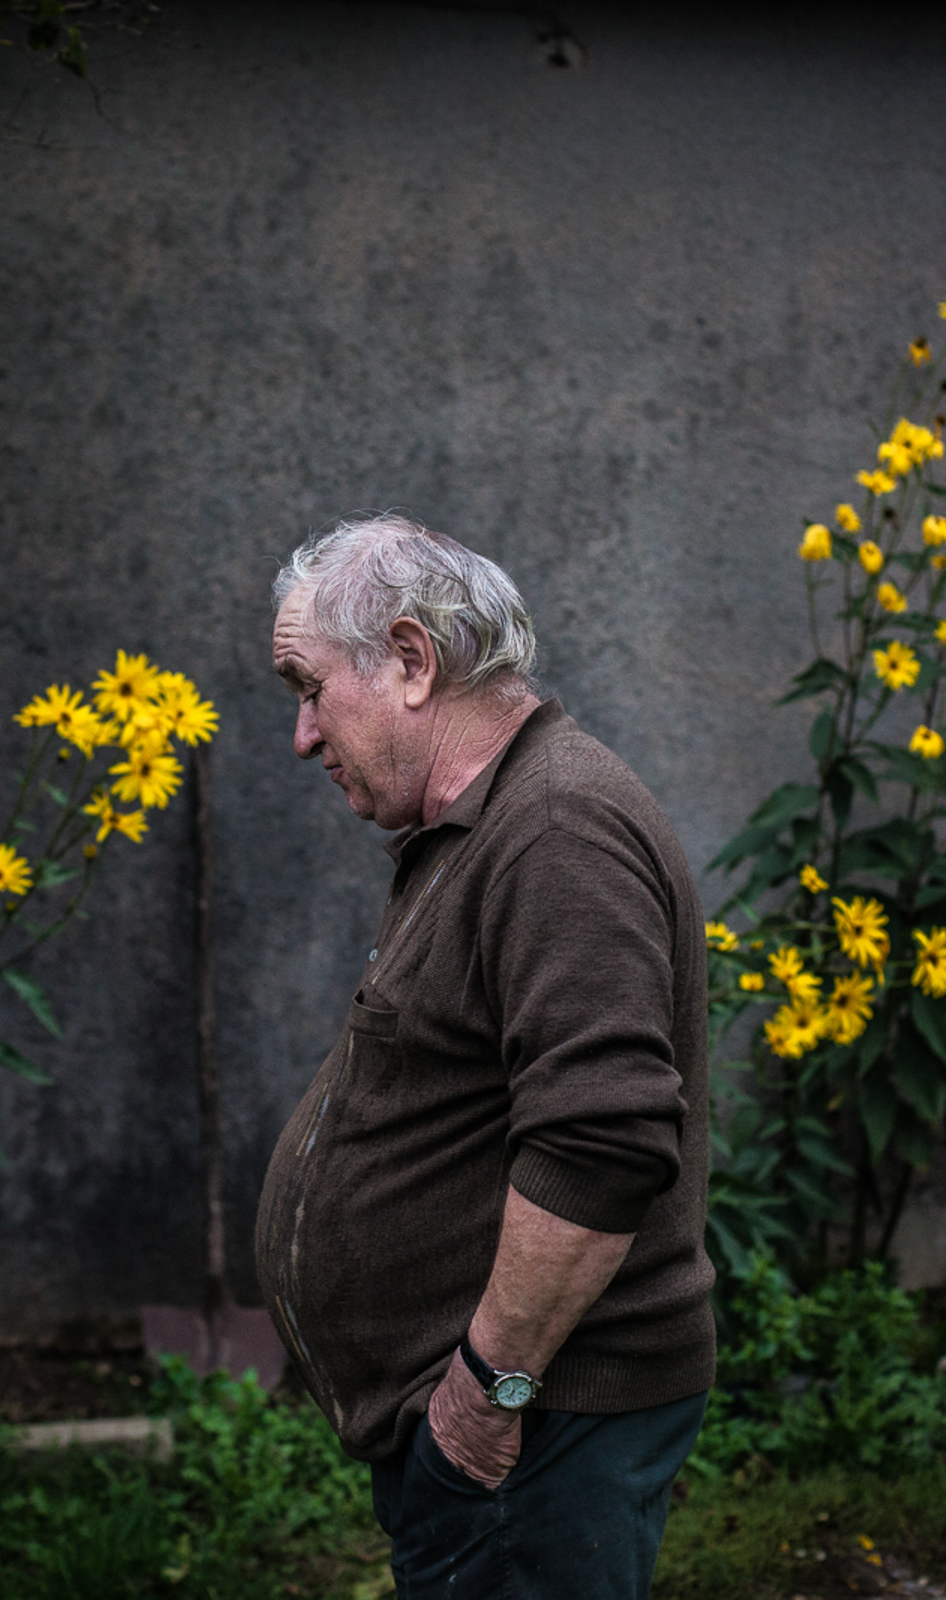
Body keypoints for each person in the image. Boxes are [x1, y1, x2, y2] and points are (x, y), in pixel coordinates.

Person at [255, 514, 715, 1599]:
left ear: (411, 661)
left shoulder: (555, 830)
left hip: (530, 1430)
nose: (304, 735)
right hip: (503, 1426)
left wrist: (479, 1395)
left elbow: (600, 1141)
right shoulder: (491, 823)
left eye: (308, 688)